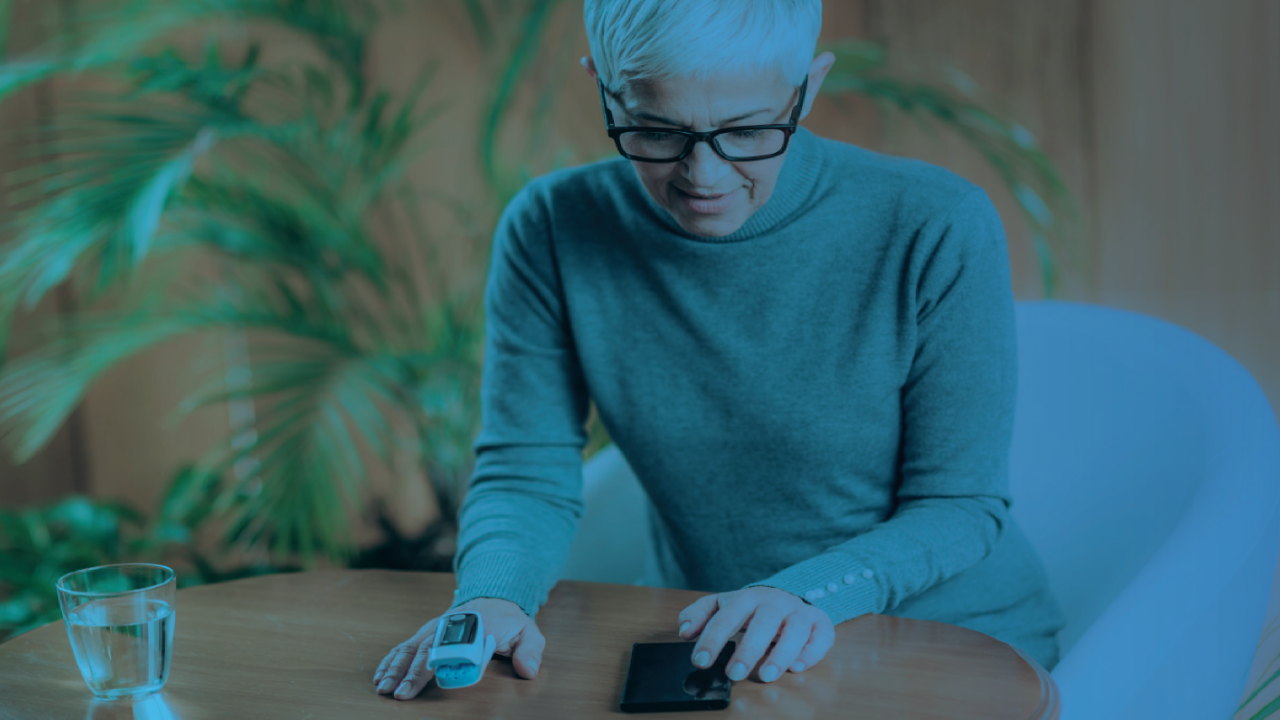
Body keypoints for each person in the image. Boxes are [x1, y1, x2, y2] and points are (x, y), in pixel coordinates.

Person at [374, 0, 1067, 700]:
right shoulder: (554, 228)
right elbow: (526, 469)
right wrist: (494, 598)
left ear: (809, 87)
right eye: (655, 130)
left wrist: (805, 595)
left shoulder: (935, 223)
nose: (704, 175)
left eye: (748, 130)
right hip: (719, 647)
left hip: (947, 641)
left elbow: (960, 505)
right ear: (603, 88)